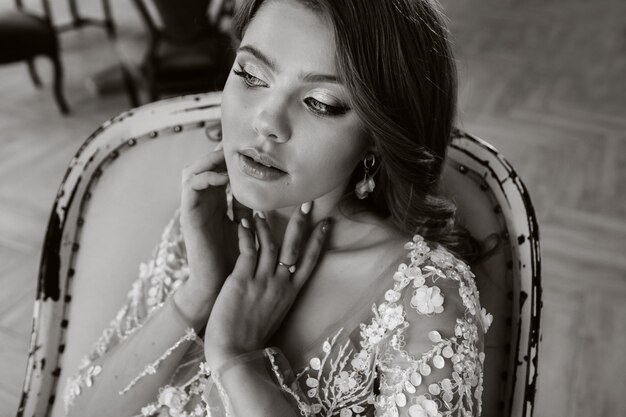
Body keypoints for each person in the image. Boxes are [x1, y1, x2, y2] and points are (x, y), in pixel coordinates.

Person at [63, 0, 495, 416]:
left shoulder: (425, 298)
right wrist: (197, 294)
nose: (267, 121)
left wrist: (237, 362)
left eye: (321, 103)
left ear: (376, 135)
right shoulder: (208, 224)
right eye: (251, 75)